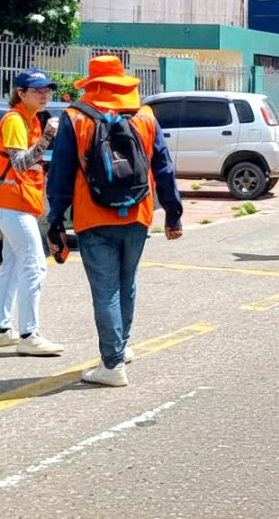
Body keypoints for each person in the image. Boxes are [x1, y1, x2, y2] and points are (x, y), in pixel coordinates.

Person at [46, 55, 184, 387]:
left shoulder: (75, 117)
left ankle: (112, 363)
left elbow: (61, 175)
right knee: (128, 283)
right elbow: (164, 168)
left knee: (105, 290)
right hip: (138, 213)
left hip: (93, 216)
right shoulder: (145, 116)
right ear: (123, 81)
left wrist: (55, 222)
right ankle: (121, 347)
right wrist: (173, 215)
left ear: (91, 84)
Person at [0, 70, 64, 356]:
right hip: (13, 203)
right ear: (21, 93)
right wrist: (47, 137)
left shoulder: (29, 119)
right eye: (37, 90)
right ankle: (29, 334)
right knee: (34, 265)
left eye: (47, 90)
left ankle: (0, 330)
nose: (45, 95)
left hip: (18, 203)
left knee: (11, 266)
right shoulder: (15, 120)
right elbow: (20, 163)